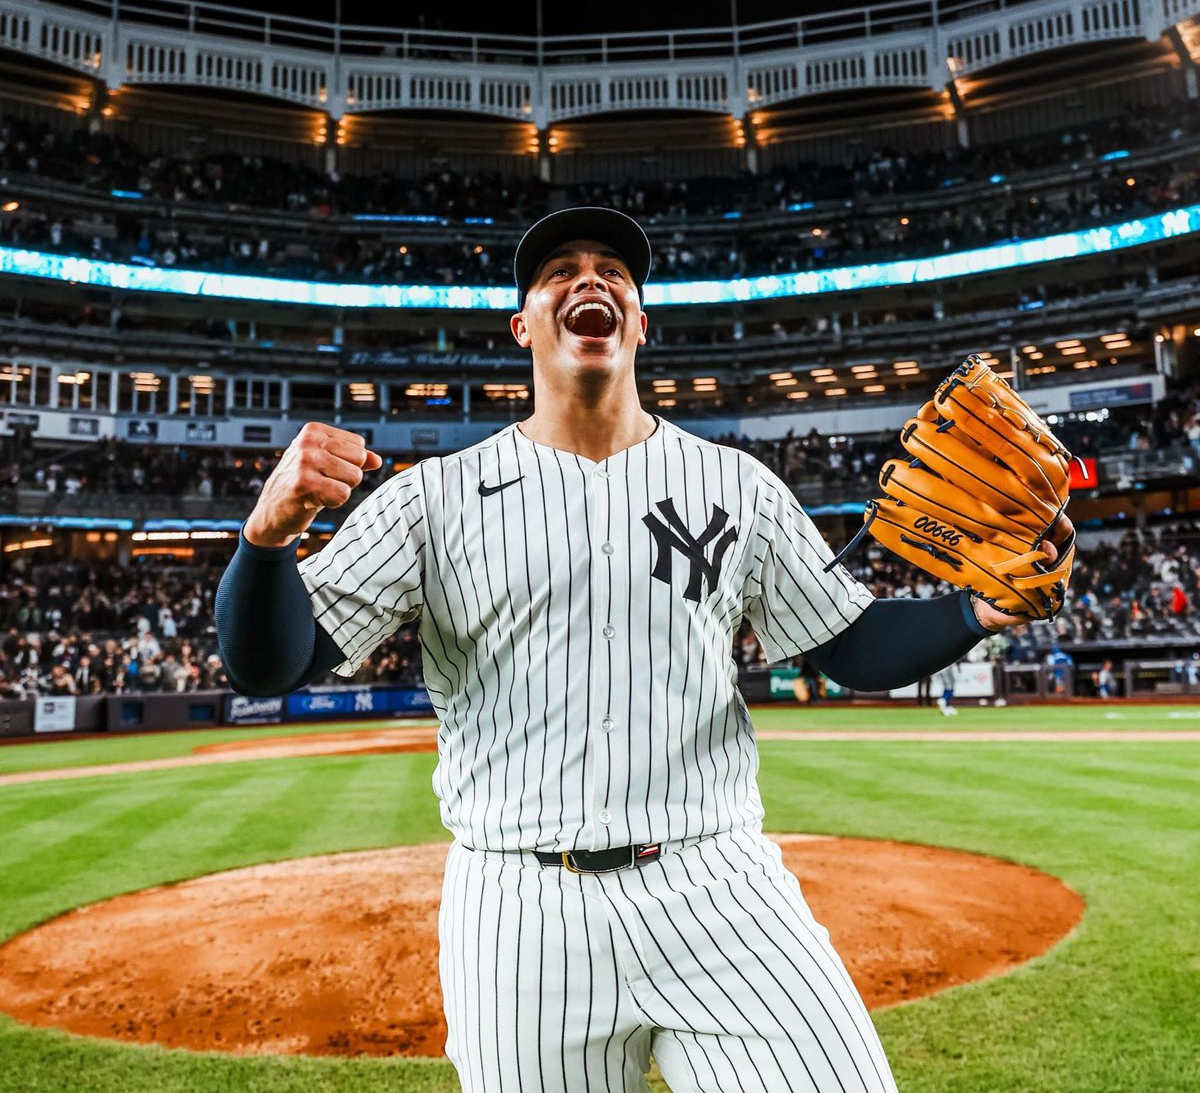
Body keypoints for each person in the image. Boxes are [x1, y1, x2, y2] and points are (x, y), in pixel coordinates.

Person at [217, 207, 1049, 1092]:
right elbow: (270, 664)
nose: (590, 280)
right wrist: (266, 540)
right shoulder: (431, 501)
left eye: (614, 269)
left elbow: (848, 645)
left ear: (640, 322)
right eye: (559, 272)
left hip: (719, 887)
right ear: (524, 324)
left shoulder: (737, 485)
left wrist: (978, 612)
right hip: (519, 910)